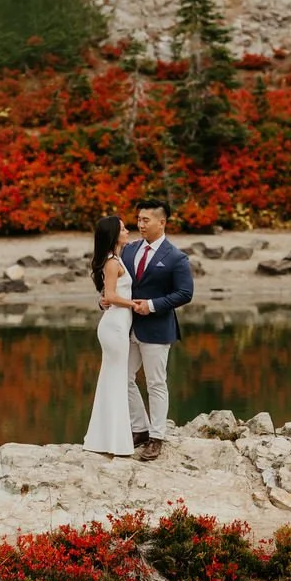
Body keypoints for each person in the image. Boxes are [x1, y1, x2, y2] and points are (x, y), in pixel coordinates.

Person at [120, 197, 194, 462]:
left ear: (162, 223)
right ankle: (139, 428)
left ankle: (157, 437)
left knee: (156, 383)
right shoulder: (128, 250)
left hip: (158, 328)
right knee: (123, 377)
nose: (140, 224)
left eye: (145, 220)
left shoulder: (176, 257)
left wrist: (151, 305)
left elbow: (185, 293)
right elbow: (119, 283)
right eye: (138, 219)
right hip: (127, 327)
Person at [83, 215, 137, 456]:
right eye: (124, 228)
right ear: (114, 235)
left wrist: (109, 300)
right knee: (115, 380)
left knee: (112, 380)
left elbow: (107, 295)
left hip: (117, 324)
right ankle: (115, 441)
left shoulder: (115, 259)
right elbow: (112, 296)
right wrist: (134, 304)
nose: (127, 231)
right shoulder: (113, 262)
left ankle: (105, 439)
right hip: (114, 326)